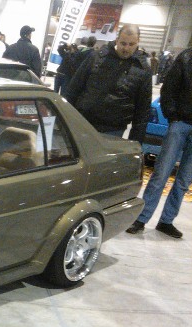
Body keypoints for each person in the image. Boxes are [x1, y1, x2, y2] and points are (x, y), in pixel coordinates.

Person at [126, 47, 192, 239]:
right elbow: (169, 88)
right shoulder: (185, 58)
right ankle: (141, 219)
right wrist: (173, 116)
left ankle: (166, 221)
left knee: (184, 180)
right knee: (161, 173)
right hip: (180, 123)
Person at [65, 25, 151, 143]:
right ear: (117, 40)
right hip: (83, 123)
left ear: (138, 42)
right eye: (123, 43)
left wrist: (136, 143)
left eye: (131, 44)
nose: (126, 48)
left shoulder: (143, 70)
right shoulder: (96, 57)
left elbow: (142, 110)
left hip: (114, 130)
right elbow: (74, 88)